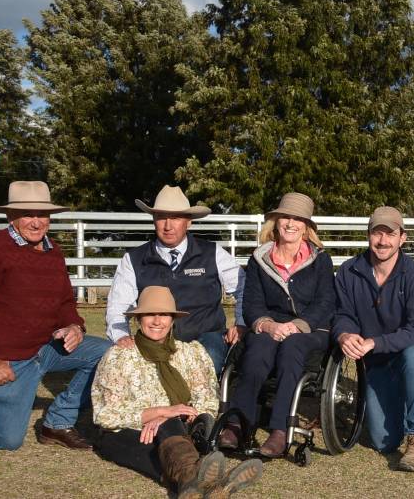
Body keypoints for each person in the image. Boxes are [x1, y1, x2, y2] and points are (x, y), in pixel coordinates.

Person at [0, 180, 113, 450]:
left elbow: (63, 301)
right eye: (28, 214)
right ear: (10, 216)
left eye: (42, 214)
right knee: (7, 441)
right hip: (9, 361)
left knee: (106, 353)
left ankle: (58, 421)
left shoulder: (53, 251)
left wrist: (74, 325)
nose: (36, 222)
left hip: (46, 348)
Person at [92, 286, 263, 498]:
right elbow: (105, 414)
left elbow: (207, 398)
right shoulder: (118, 356)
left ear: (172, 320)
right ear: (138, 319)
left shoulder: (190, 353)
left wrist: (173, 416)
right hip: (127, 431)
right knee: (132, 438)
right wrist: (158, 413)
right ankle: (206, 483)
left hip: (181, 429)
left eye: (163, 314)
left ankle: (189, 483)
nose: (157, 321)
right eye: (149, 314)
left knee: (170, 426)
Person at [218, 193, 335, 457]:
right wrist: (267, 325)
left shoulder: (320, 260)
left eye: (298, 219)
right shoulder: (259, 259)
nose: (291, 223)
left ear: (306, 227)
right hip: (270, 325)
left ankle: (280, 429)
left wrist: (298, 324)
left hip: (310, 329)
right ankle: (237, 424)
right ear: (276, 221)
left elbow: (326, 302)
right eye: (286, 217)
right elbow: (252, 302)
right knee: (257, 351)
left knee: (292, 348)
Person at [334, 206, 414, 472]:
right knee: (383, 442)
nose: (383, 241)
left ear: (402, 238)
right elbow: (341, 313)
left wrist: (375, 342)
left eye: (390, 234)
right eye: (376, 233)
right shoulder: (349, 272)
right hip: (378, 360)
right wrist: (345, 334)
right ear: (368, 235)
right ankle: (410, 408)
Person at [106, 185, 243, 374]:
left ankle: (202, 402)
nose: (168, 225)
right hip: (154, 336)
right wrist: (120, 336)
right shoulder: (134, 259)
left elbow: (244, 287)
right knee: (129, 364)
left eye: (176, 218)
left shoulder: (213, 253)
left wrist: (241, 323)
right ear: (154, 220)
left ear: (189, 222)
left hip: (206, 336)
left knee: (209, 355)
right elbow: (118, 306)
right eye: (161, 217)